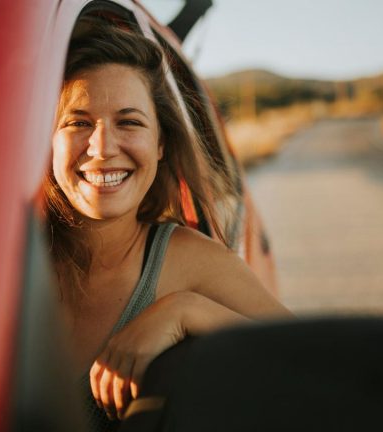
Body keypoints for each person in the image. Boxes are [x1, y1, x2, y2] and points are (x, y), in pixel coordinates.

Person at [43, 22, 291, 431]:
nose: (103, 148)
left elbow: (313, 362)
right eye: (78, 122)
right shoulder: (3, 259)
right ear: (47, 140)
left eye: (129, 122)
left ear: (160, 143)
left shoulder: (191, 262)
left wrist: (185, 310)